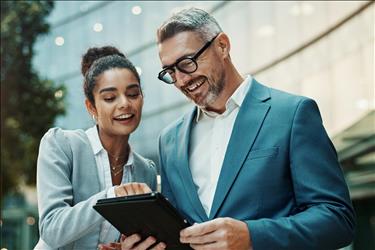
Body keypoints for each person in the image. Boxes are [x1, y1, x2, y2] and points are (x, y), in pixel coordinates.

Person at [105, 7, 355, 250]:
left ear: (222, 46)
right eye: (170, 71)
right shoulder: (170, 139)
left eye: (187, 62)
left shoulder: (292, 113)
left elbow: (337, 219)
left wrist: (251, 237)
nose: (181, 80)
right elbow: (179, 234)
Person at [34, 46, 162, 250]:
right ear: (91, 107)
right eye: (110, 98)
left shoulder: (146, 170)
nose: (125, 104)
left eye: (133, 94)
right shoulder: (62, 144)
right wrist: (111, 197)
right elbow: (52, 230)